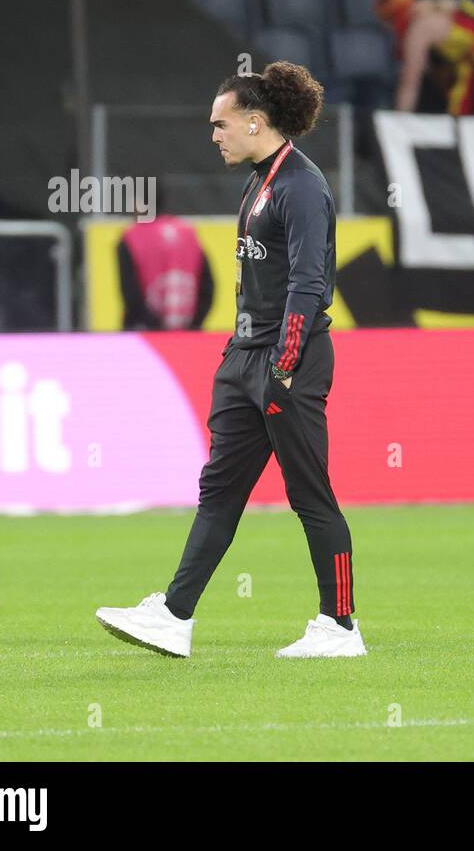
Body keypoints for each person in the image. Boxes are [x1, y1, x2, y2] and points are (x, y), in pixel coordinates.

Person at [95, 61, 365, 660]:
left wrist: (284, 363)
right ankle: (174, 614)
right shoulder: (260, 180)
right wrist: (239, 355)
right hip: (246, 358)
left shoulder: (300, 185)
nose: (213, 135)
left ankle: (341, 626)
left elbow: (308, 284)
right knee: (218, 493)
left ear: (254, 121)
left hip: (285, 362)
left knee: (310, 495)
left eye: (220, 124)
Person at [116, 201, 215, 331]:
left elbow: (130, 291)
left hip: (145, 332)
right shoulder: (188, 233)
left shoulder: (131, 237)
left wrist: (153, 325)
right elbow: (207, 286)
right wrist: (195, 323)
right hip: (188, 331)